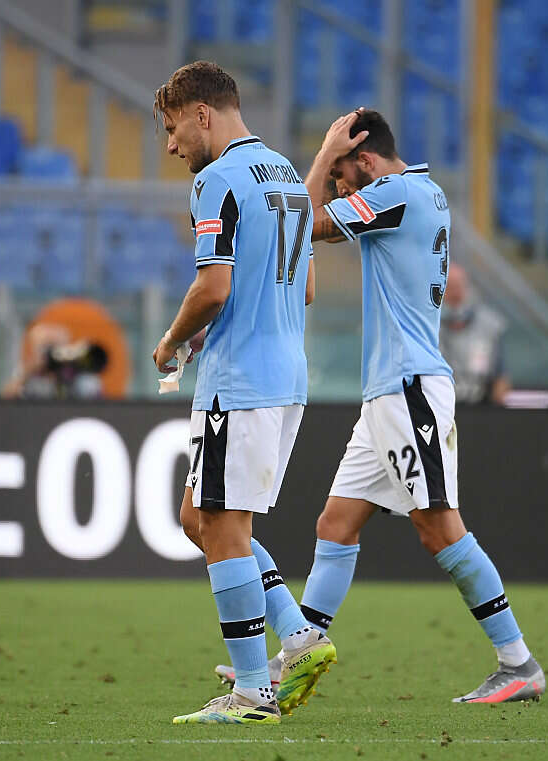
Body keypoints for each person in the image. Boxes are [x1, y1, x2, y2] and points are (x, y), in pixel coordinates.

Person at [224, 109, 544, 703]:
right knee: (336, 524)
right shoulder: (423, 192)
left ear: (365, 160)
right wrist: (332, 165)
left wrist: (322, 155)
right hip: (387, 393)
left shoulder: (396, 194)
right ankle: (296, 655)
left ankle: (517, 661)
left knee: (439, 528)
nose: (339, 186)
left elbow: (301, 225)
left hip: (409, 389)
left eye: (343, 176)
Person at [151, 60, 333, 725]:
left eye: (174, 128)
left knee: (224, 529)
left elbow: (213, 286)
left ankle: (253, 692)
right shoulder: (284, 174)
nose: (172, 146)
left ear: (202, 114)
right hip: (286, 377)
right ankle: (299, 635)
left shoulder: (217, 180)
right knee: (197, 518)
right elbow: (303, 288)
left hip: (241, 381)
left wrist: (172, 340)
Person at [439, 263, 511, 405]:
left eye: (458, 287)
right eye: (449, 287)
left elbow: (500, 377)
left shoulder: (489, 325)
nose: (455, 294)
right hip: (439, 405)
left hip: (480, 406)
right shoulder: (428, 327)